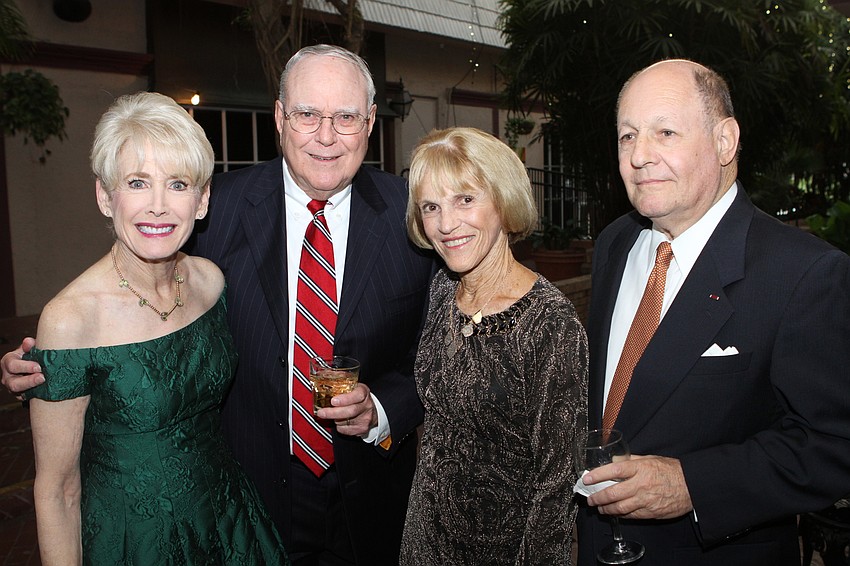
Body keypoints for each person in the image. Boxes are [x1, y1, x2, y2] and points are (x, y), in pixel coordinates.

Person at [2, 44, 435, 565]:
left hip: (370, 500)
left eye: (345, 116)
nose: (326, 135)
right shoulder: (215, 208)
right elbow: (138, 270)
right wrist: (54, 362)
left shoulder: (413, 219)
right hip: (244, 500)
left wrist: (383, 410)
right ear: (279, 117)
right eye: (306, 114)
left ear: (369, 121)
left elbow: (439, 359)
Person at [576, 58, 850, 565]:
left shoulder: (805, 273)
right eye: (628, 136)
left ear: (725, 141)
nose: (640, 156)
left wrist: (693, 485)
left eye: (665, 132)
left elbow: (833, 446)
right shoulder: (616, 243)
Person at [21, 92, 288, 564]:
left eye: (179, 184)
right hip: (132, 540)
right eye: (138, 182)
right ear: (105, 196)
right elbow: (57, 491)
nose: (159, 206)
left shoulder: (210, 281)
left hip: (227, 521)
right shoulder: (70, 319)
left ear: (203, 200)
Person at [400, 127, 588, 565]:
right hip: (422, 543)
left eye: (465, 199)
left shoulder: (550, 324)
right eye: (432, 206)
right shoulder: (443, 292)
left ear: (503, 202)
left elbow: (556, 490)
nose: (446, 225)